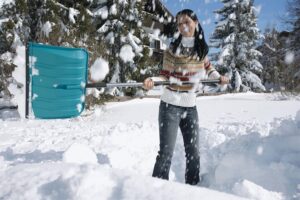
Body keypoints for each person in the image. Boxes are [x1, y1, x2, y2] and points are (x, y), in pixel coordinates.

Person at [143, 9, 229, 185]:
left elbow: (208, 68)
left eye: (187, 22)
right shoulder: (173, 49)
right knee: (166, 152)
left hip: (190, 107)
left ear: (196, 23)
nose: (183, 26)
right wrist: (152, 80)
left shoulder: (201, 49)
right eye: (180, 23)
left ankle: (193, 189)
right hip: (170, 106)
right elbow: (165, 76)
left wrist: (218, 77)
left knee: (193, 153)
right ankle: (156, 190)